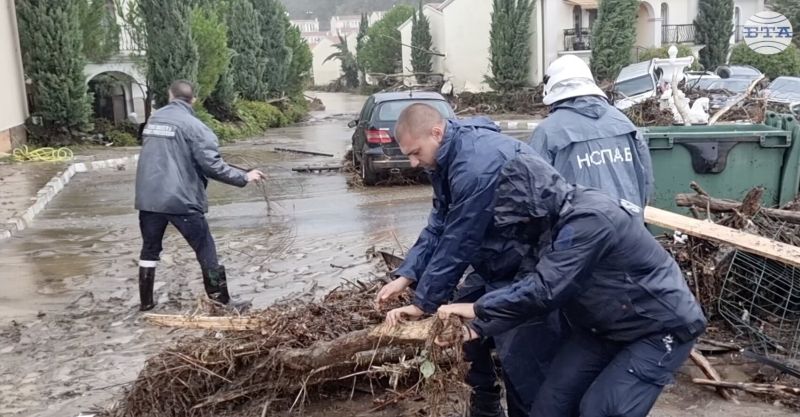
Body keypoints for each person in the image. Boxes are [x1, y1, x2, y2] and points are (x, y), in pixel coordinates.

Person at [437, 154, 707, 417]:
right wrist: (476, 328)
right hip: (601, 326)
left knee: (602, 409)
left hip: (658, 327)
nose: (518, 228)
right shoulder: (545, 225)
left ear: (534, 207)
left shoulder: (590, 219)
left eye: (521, 220)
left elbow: (545, 289)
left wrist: (477, 307)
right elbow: (524, 287)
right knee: (550, 405)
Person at [375, 103, 564, 417]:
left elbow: (459, 241)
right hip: (499, 256)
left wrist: (423, 304)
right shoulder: (444, 160)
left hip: (533, 261)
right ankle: (486, 405)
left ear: (436, 132)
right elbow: (439, 223)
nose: (411, 161)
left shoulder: (476, 166)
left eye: (415, 152)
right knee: (461, 325)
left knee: (521, 356)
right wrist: (406, 275)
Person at [134, 80, 265, 312]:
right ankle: (222, 302)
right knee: (206, 248)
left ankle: (146, 303)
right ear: (193, 99)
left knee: (149, 249)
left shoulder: (153, 121)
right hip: (181, 200)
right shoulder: (196, 127)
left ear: (170, 95)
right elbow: (212, 166)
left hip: (149, 198)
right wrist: (244, 177)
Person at [530, 54, 654, 207]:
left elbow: (534, 191)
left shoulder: (547, 132)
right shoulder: (624, 123)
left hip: (579, 228)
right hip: (629, 225)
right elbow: (646, 184)